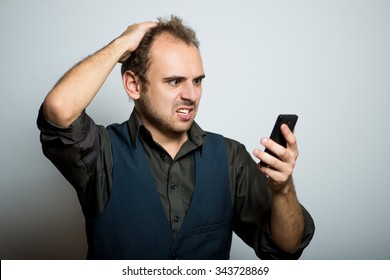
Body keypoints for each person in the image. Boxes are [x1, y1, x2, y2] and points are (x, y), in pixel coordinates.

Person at [37, 15, 314, 260]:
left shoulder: (230, 158)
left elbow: (286, 248)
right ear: (134, 85)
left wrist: (283, 189)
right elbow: (59, 110)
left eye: (197, 81)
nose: (191, 95)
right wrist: (121, 44)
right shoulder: (102, 153)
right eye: (174, 81)